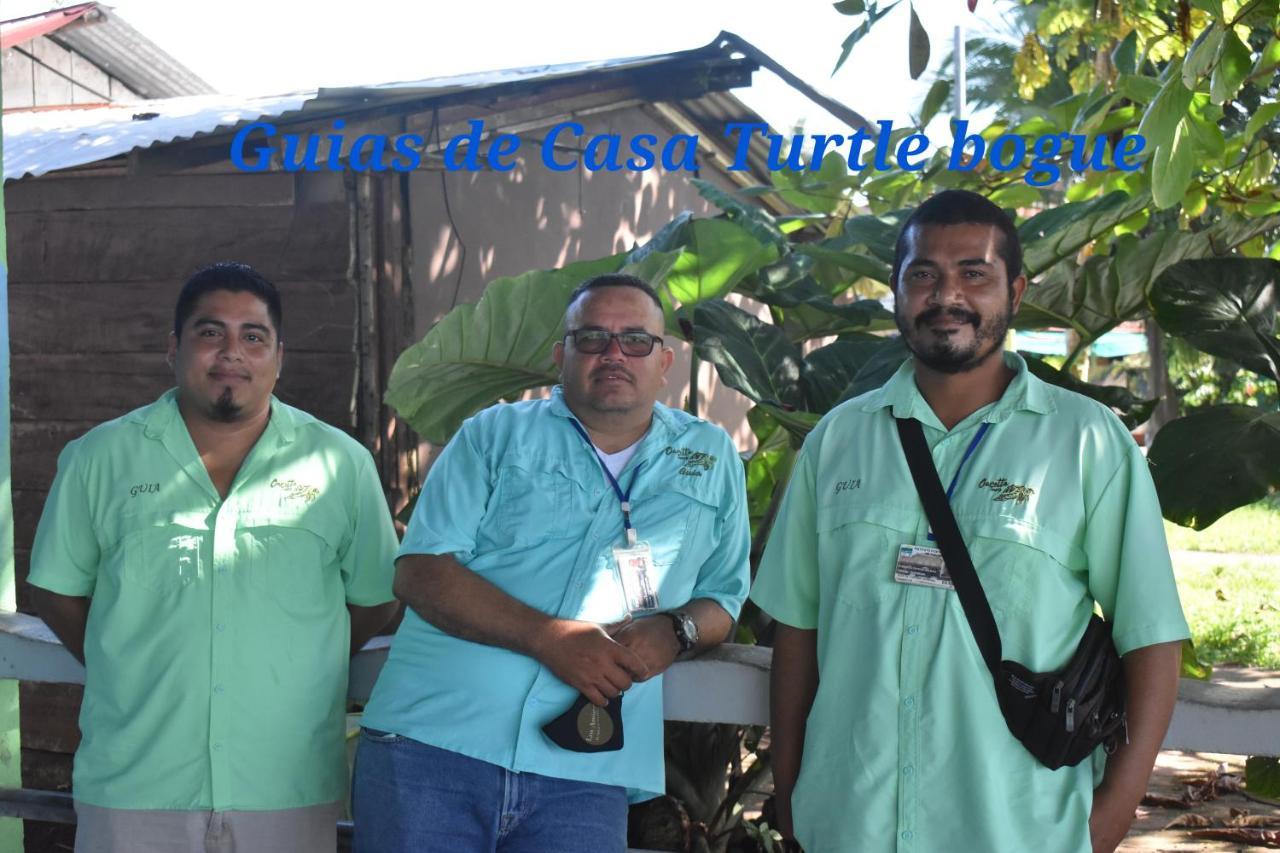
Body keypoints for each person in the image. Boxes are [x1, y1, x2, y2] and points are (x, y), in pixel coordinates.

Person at [751, 190, 1189, 853]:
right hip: (850, 823)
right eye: (922, 272)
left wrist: (1116, 810)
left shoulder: (1086, 442)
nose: (945, 293)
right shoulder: (838, 440)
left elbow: (1151, 636)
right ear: (896, 290)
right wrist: (792, 795)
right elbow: (797, 634)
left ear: (1014, 290)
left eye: (973, 272)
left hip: (1015, 828)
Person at [353, 273, 751, 853]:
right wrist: (550, 640)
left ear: (664, 360)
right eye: (593, 338)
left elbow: (725, 597)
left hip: (586, 774)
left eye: (635, 340)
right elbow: (421, 570)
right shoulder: (492, 435)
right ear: (561, 354)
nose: (614, 354)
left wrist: (676, 630)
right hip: (434, 747)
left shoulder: (710, 455)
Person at [28, 262, 400, 853]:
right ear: (174, 348)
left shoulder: (341, 466)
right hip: (136, 780)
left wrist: (300, 658)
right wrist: (124, 658)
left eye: (253, 336)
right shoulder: (100, 458)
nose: (232, 352)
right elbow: (55, 588)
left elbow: (378, 598)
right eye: (210, 333)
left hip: (284, 781)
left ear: (280, 355)